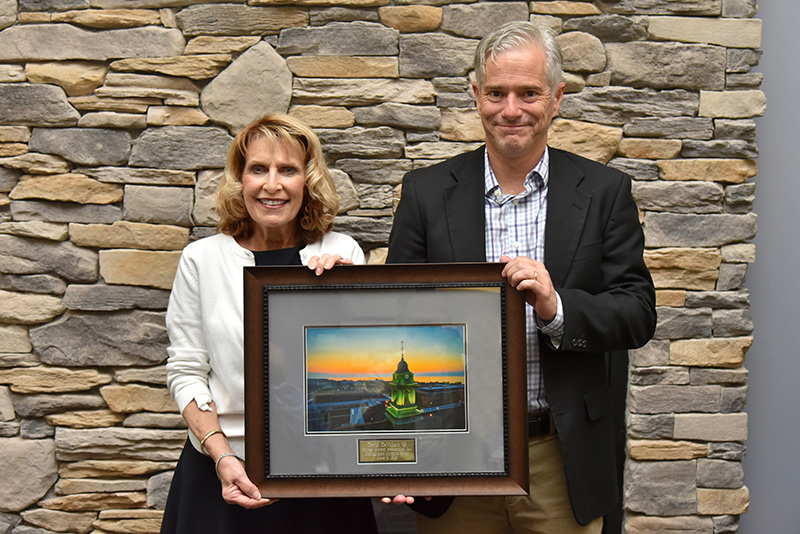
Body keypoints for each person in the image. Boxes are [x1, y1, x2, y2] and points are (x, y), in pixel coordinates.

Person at [386, 20, 657, 534]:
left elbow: (638, 312)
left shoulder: (605, 192)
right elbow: (396, 313)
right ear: (475, 96)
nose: (511, 110)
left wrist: (558, 309)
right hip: (455, 456)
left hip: (560, 455)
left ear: (556, 98)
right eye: (497, 93)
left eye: (528, 92)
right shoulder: (423, 193)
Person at [161, 114, 378, 533]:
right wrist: (223, 456)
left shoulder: (341, 251)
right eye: (258, 169)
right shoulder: (201, 260)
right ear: (240, 179)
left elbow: (366, 364)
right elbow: (186, 371)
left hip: (320, 472)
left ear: (308, 180)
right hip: (221, 472)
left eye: (288, 170)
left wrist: (350, 299)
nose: (272, 184)